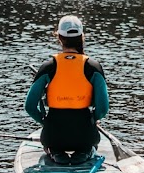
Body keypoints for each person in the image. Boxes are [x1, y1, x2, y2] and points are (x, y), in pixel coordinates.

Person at [25, 15, 109, 165]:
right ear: (82, 37)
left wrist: (46, 123)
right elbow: (103, 109)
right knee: (89, 141)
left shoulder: (48, 67)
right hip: (85, 137)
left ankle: (55, 153)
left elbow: (30, 107)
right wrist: (92, 120)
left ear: (59, 37)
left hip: (53, 136)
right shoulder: (94, 67)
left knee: (54, 143)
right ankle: (85, 152)